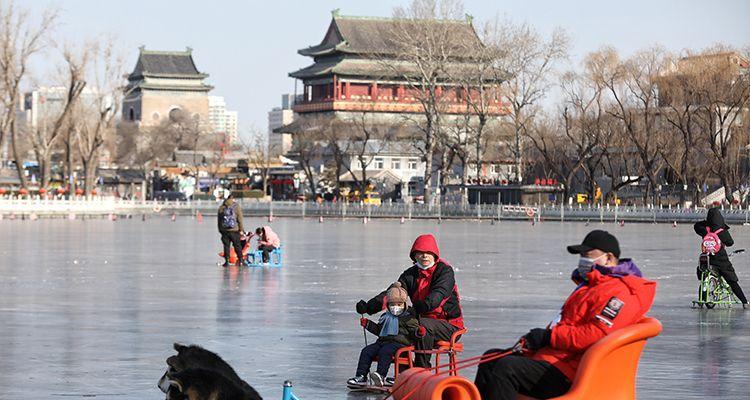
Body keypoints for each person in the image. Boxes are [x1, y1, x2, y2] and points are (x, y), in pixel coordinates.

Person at [474, 230, 656, 400]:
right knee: (490, 359)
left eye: (587, 255)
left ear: (608, 258)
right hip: (556, 360)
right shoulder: (592, 286)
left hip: (570, 371)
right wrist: (537, 342)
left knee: (506, 369)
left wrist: (549, 337)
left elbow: (595, 334)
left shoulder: (621, 293)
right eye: (581, 256)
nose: (582, 260)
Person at [356, 234, 464, 368]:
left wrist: (424, 305)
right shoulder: (410, 274)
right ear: (414, 255)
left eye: (428, 252)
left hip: (449, 325)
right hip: (419, 321)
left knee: (421, 325)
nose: (424, 256)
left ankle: (421, 369)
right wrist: (369, 307)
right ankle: (404, 373)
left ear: (435, 255)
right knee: (400, 324)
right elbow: (394, 294)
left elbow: (439, 293)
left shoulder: (444, 271)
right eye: (420, 252)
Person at [348, 282, 422, 388]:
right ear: (388, 305)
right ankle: (361, 376)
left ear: (404, 304)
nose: (395, 307)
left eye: (399, 304)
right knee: (367, 351)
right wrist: (368, 324)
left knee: (385, 351)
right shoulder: (385, 316)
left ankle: (381, 375)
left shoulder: (408, 317)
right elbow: (379, 331)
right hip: (383, 342)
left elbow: (414, 332)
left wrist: (419, 333)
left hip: (400, 344)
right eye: (392, 304)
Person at [694, 207, 748, 308]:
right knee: (732, 281)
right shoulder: (721, 231)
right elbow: (730, 243)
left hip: (707, 259)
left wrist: (707, 222)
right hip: (721, 260)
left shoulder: (704, 229)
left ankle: (702, 299)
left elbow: (696, 226)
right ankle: (744, 302)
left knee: (704, 277)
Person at [218, 192, 245, 267]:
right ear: (233, 199)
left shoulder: (222, 207)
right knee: (237, 245)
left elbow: (219, 220)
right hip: (234, 230)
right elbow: (240, 219)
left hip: (224, 231)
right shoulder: (236, 206)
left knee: (226, 246)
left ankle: (227, 261)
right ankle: (241, 260)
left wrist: (220, 230)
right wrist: (241, 229)